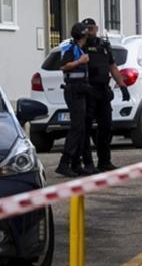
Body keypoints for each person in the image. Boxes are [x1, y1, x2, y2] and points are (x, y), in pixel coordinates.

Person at [80, 18, 131, 172]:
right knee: (85, 129)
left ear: (96, 29)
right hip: (88, 91)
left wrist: (122, 86)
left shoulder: (104, 46)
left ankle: (104, 161)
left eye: (92, 28)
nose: (90, 31)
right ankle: (88, 163)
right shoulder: (81, 46)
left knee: (106, 127)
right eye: (87, 28)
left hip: (103, 91)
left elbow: (113, 67)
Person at [55, 23, 92, 178]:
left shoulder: (78, 49)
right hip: (73, 91)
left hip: (80, 90)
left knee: (81, 128)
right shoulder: (71, 49)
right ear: (83, 36)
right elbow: (63, 66)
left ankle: (76, 164)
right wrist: (80, 62)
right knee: (76, 128)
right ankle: (64, 163)